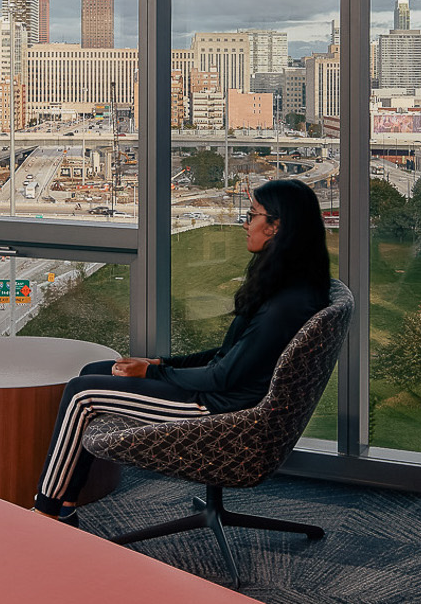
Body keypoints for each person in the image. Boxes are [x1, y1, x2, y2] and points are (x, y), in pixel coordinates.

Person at [33, 176, 331, 518]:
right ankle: (67, 504)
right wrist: (159, 361)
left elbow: (222, 376)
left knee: (81, 393)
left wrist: (155, 371)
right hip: (225, 396)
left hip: (218, 412)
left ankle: (45, 510)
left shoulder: (284, 306)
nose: (245, 224)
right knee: (94, 371)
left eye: (252, 215)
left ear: (276, 228)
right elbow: (227, 354)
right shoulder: (291, 287)